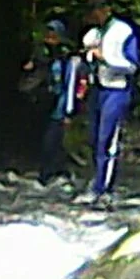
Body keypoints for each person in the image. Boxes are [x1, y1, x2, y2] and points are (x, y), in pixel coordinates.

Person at [73, 0, 140, 207]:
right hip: (97, 90)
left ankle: (105, 189)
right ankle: (96, 183)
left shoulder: (124, 32)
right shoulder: (92, 34)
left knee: (107, 139)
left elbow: (132, 66)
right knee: (94, 139)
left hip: (117, 90)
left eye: (97, 10)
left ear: (107, 9)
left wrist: (106, 59)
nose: (94, 15)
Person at [21, 19, 86, 189]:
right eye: (48, 33)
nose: (50, 37)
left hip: (61, 104)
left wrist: (69, 111)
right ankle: (49, 173)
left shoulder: (68, 57)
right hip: (43, 102)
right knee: (46, 139)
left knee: (53, 140)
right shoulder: (40, 54)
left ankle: (52, 173)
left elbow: (71, 85)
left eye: (54, 34)